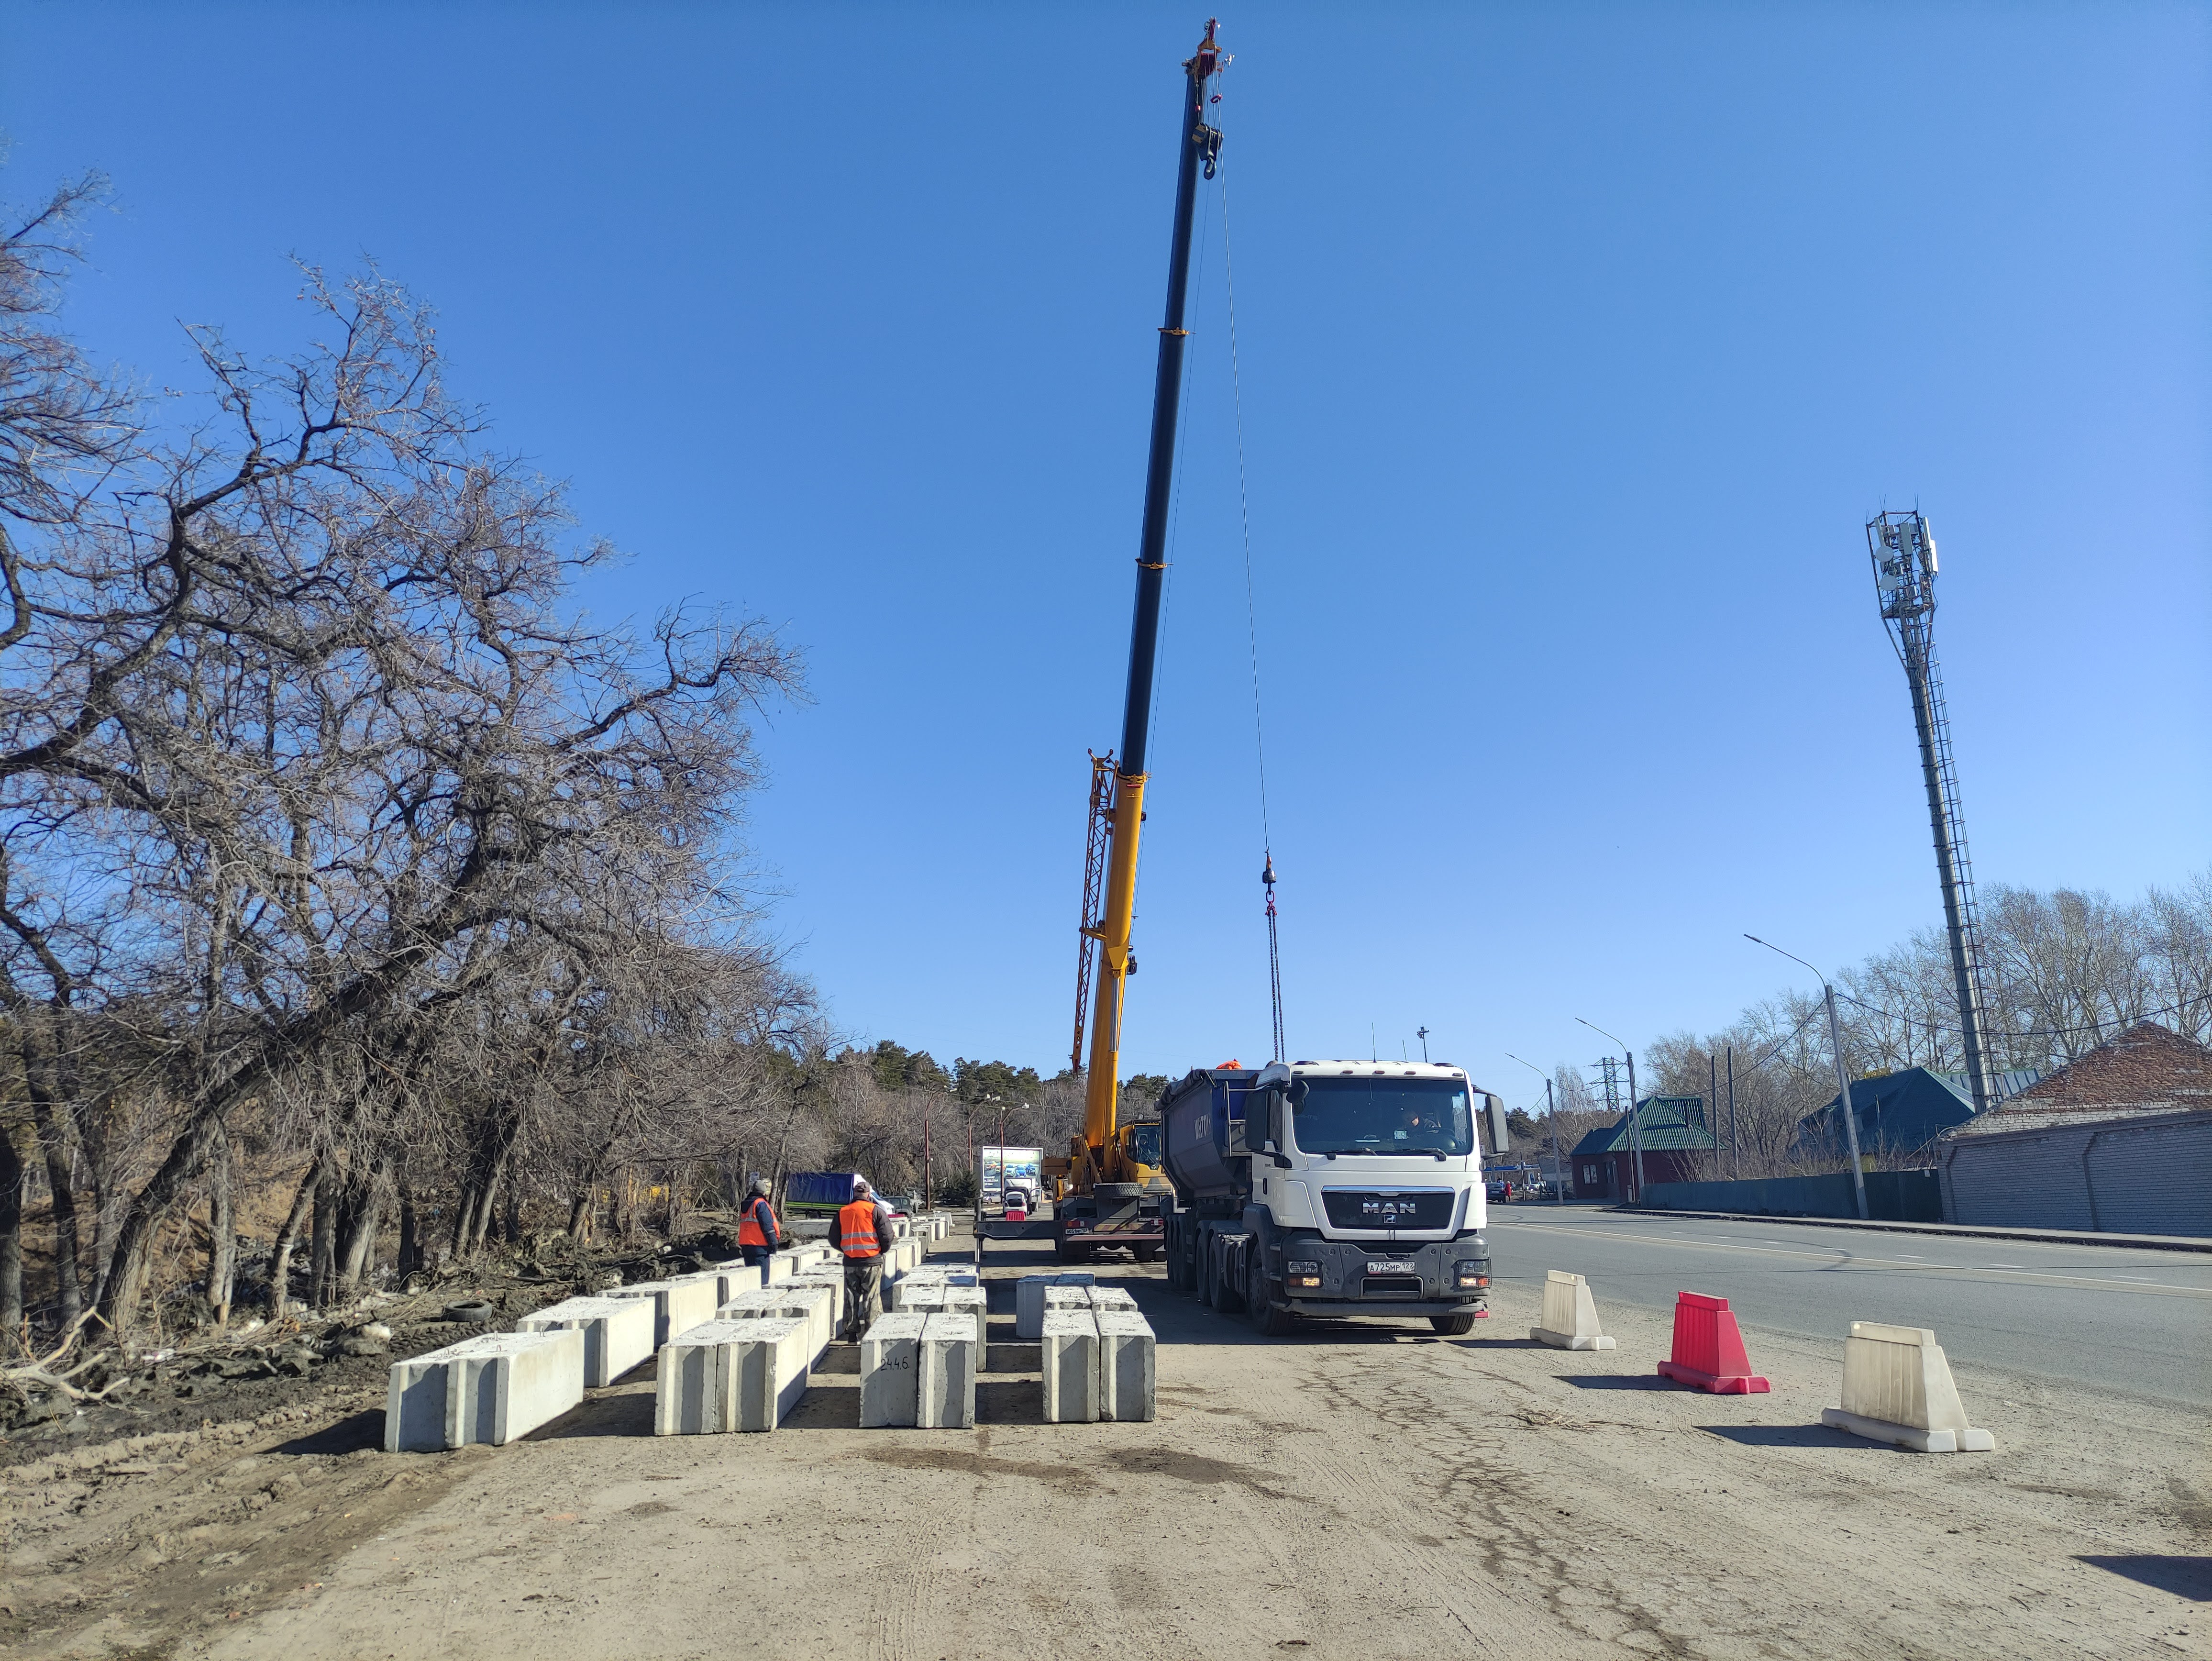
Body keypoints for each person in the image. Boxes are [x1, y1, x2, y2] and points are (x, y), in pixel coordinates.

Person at [834, 1177, 897, 1341]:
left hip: (851, 1262)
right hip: (872, 1262)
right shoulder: (876, 1211)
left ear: (855, 1194)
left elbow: (834, 1238)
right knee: (871, 1297)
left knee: (851, 1297)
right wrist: (880, 1251)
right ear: (869, 1194)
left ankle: (852, 1334)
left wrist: (847, 1250)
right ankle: (871, 1334)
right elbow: (887, 1236)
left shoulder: (843, 1212)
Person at [736, 1176, 782, 1269]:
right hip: (760, 1247)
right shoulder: (761, 1204)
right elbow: (767, 1226)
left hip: (746, 1246)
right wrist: (774, 1244)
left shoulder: (746, 1203)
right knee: (762, 1277)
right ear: (764, 1192)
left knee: (751, 1275)